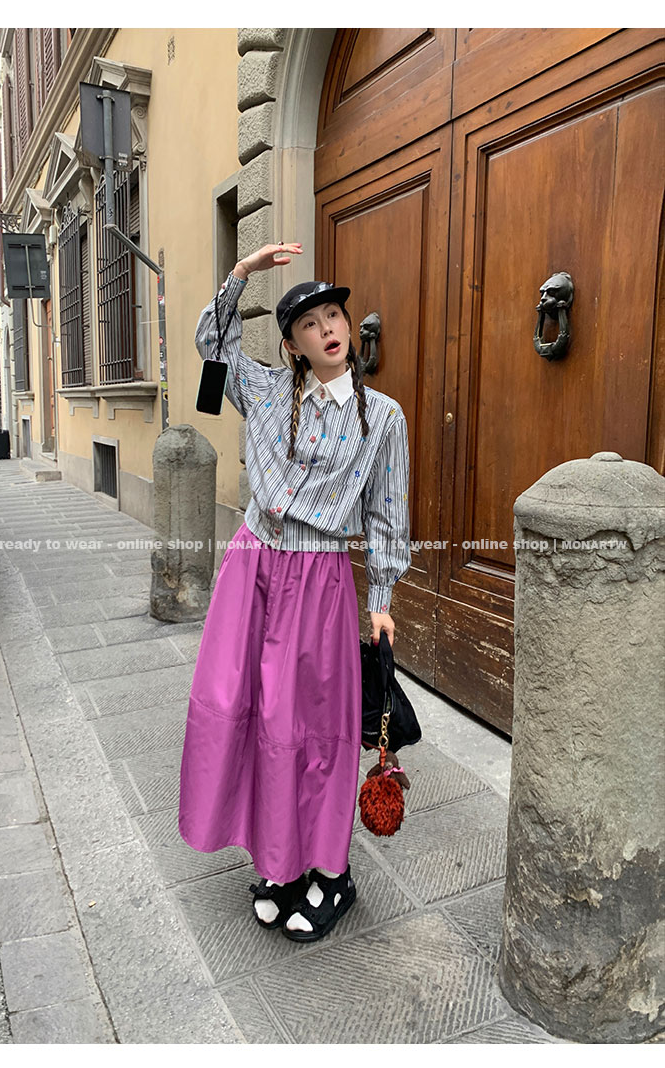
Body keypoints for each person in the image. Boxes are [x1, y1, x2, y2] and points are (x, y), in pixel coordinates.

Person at [178, 242, 411, 942]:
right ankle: (279, 863)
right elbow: (211, 344)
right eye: (310, 323)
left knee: (307, 727)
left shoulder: (383, 418)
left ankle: (331, 873)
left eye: (334, 315)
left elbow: (387, 514)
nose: (328, 328)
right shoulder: (266, 389)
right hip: (251, 567)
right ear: (292, 344)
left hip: (317, 580)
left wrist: (381, 596)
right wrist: (241, 273)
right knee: (239, 708)